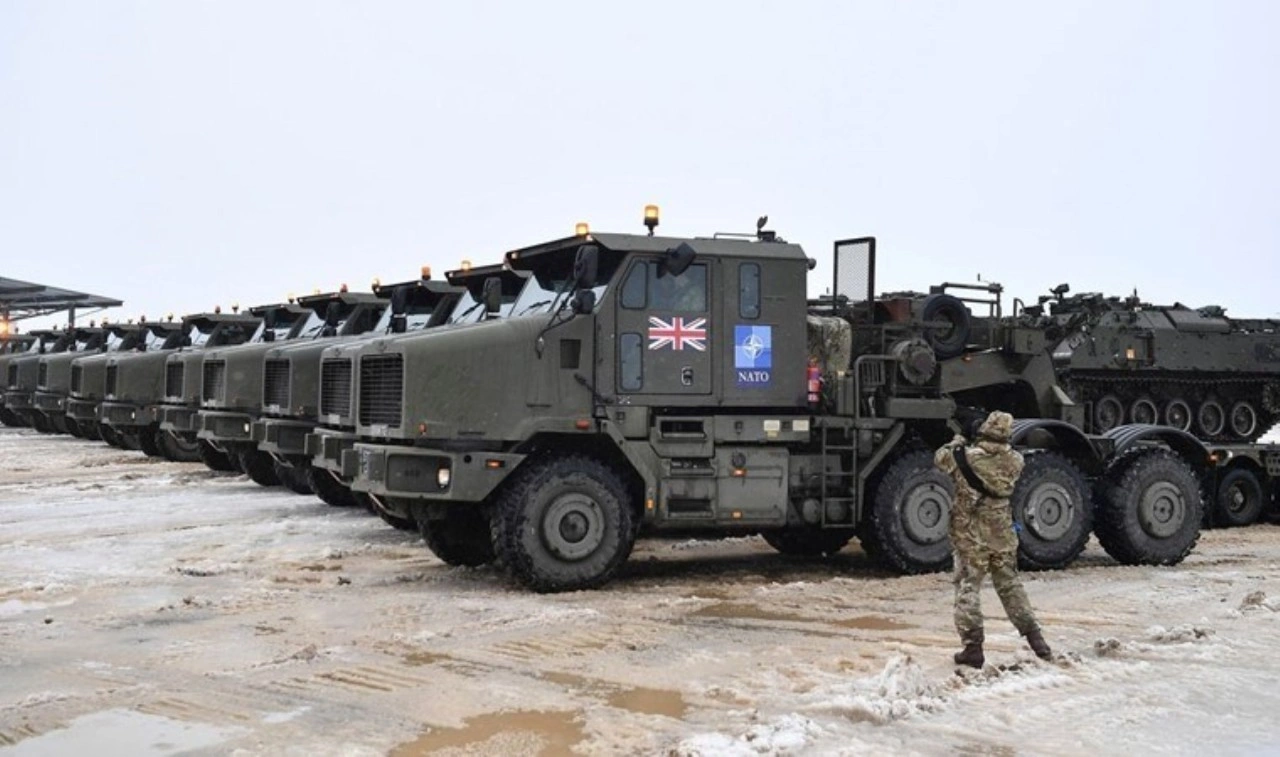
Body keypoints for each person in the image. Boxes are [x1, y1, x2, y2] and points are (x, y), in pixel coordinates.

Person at [934, 410, 1052, 668]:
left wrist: (960, 436)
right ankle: (1036, 640)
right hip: (1002, 531)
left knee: (968, 586)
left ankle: (973, 648)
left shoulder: (966, 457)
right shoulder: (1016, 460)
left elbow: (941, 458)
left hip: (971, 532)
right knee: (1010, 585)